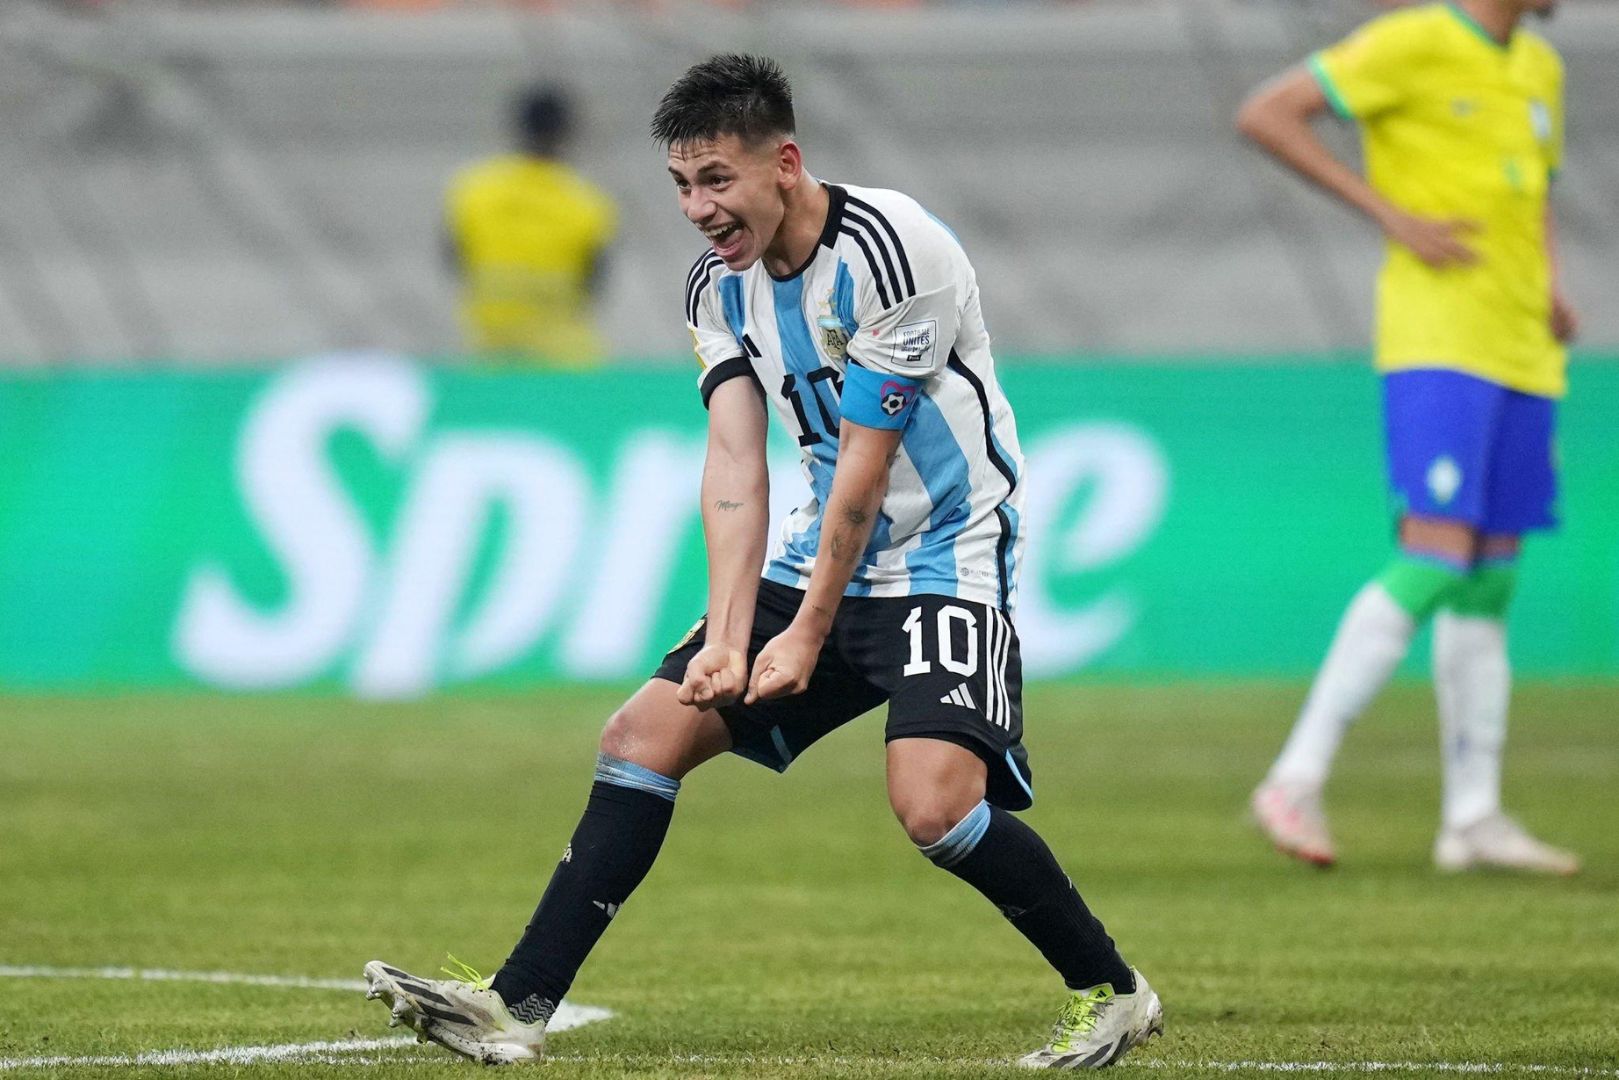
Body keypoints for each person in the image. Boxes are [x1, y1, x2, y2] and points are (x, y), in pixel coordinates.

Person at [364, 54, 1164, 1069]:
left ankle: (1114, 993)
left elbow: (865, 477)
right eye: (681, 185)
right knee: (645, 731)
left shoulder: (890, 248)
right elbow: (737, 466)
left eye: (716, 180)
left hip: (941, 555)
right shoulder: (714, 287)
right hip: (815, 550)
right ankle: (514, 1006)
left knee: (931, 805)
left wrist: (803, 635)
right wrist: (730, 636)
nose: (698, 207)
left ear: (782, 163)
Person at [1238, 0, 1580, 874]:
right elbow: (1266, 112)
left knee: (1489, 578)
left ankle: (1471, 817)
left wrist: (1548, 285)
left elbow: (1531, 187)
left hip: (1520, 347)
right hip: (1440, 343)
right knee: (1434, 556)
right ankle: (1294, 778)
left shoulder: (1538, 65)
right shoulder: (1416, 40)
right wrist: (1387, 213)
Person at [444, 83, 617, 366]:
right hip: (565, 359)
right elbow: (595, 283)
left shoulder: (472, 190)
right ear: (567, 133)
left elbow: (454, 260)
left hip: (489, 353)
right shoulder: (587, 202)